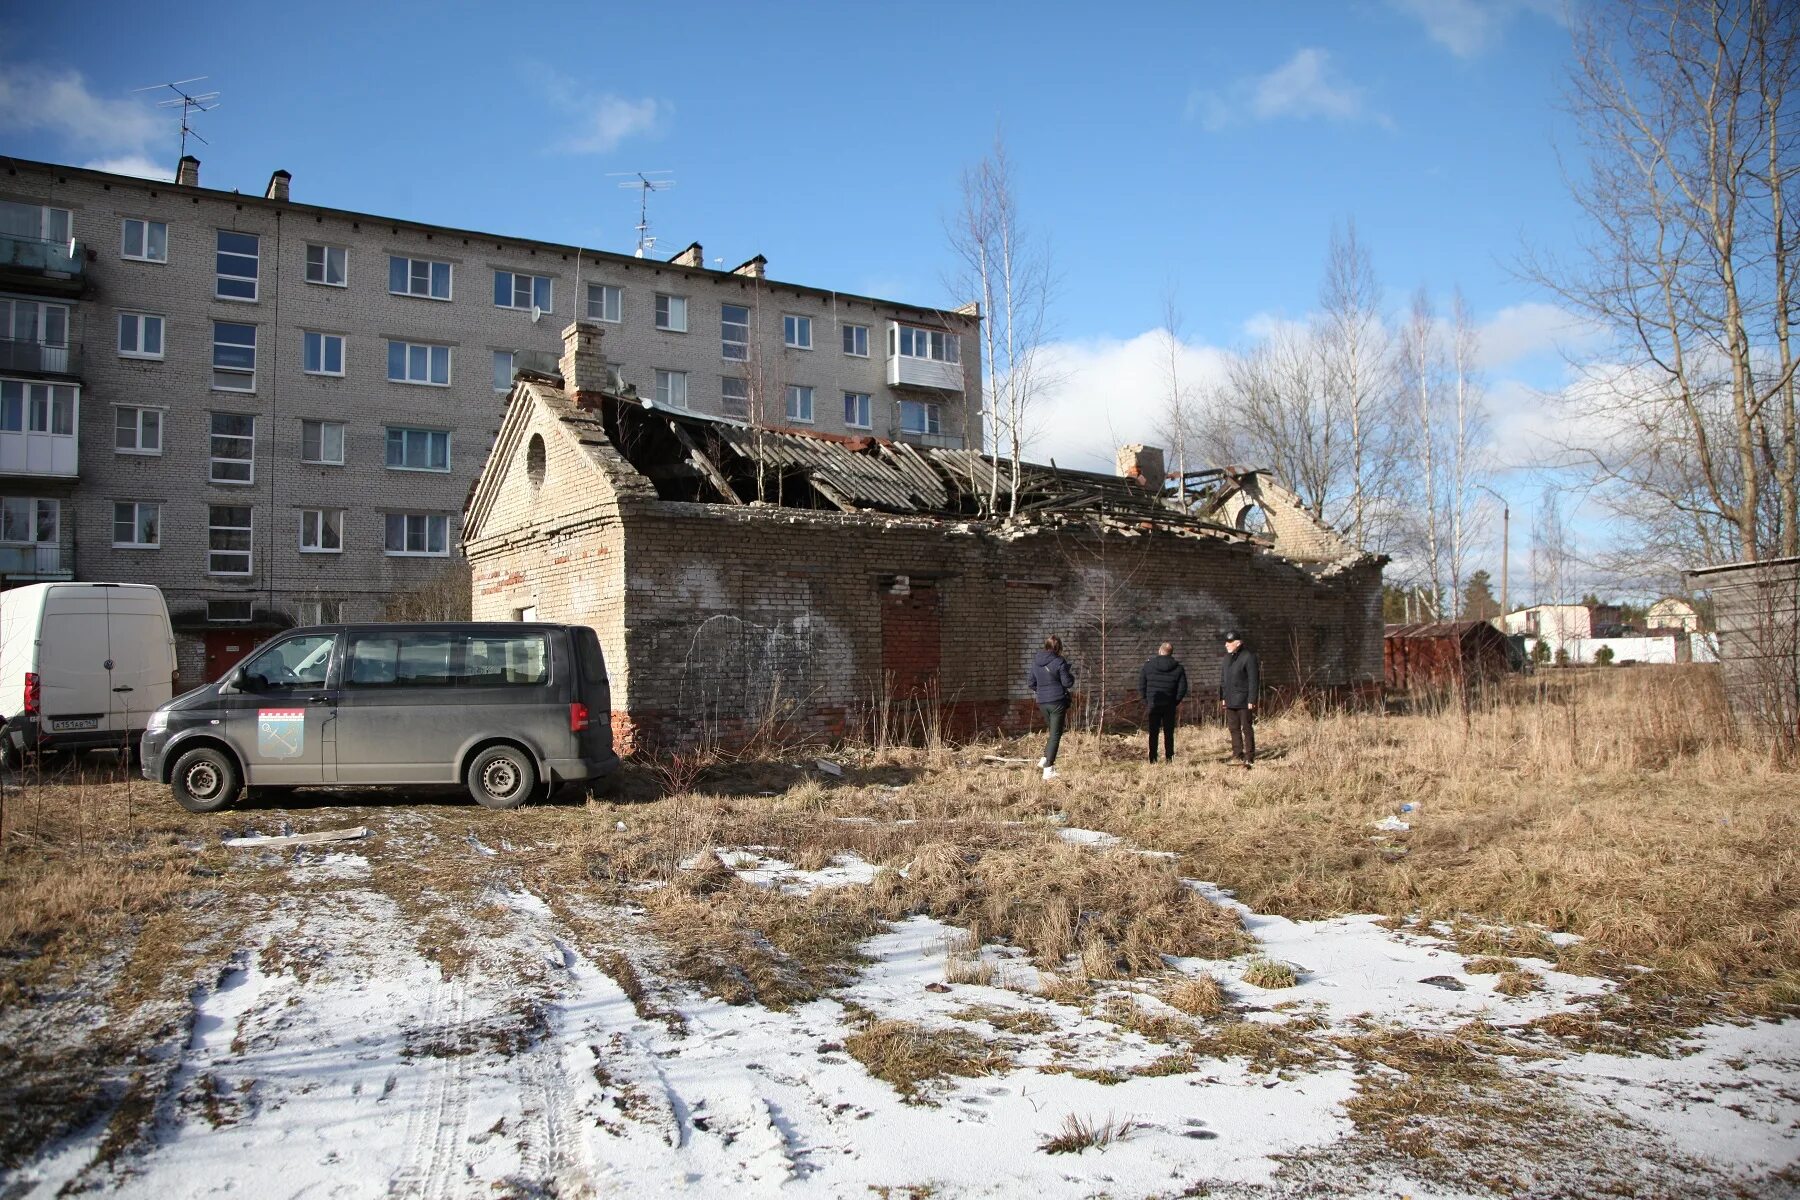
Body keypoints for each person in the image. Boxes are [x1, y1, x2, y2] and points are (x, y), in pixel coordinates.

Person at [1027, 634, 1075, 780]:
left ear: (1046, 646)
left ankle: (1044, 759)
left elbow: (1031, 683)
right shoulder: (1059, 661)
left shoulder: (1036, 662)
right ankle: (1049, 769)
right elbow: (1067, 683)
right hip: (1057, 702)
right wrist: (1070, 675)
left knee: (1052, 732)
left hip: (1042, 702)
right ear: (1058, 647)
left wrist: (1042, 692)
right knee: (1056, 734)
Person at [1139, 642, 1189, 763]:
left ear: (1160, 651)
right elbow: (1183, 688)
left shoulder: (1148, 666)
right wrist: (1175, 701)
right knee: (1169, 733)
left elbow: (1141, 685)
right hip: (1169, 704)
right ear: (1171, 653)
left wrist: (1146, 700)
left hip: (1153, 704)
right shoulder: (1178, 668)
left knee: (1153, 733)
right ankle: (1169, 758)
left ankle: (1152, 759)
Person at [1218, 630, 1259, 767]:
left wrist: (1252, 700)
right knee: (1233, 728)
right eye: (1226, 642)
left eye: (1229, 642)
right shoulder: (1227, 658)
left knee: (1246, 728)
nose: (1226, 645)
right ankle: (1237, 753)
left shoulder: (1248, 657)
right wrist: (1223, 697)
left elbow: (1253, 680)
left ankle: (1249, 755)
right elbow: (1223, 679)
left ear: (1238, 643)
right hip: (1230, 699)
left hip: (1244, 700)